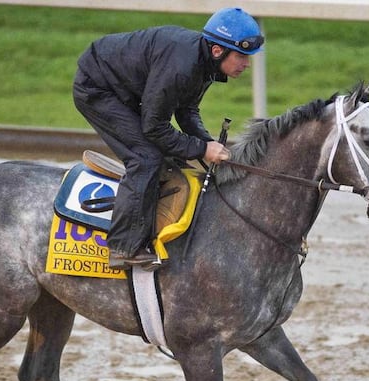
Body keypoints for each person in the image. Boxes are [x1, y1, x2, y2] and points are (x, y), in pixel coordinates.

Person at [72, 7, 264, 270]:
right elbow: (154, 127)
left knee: (172, 154)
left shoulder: (204, 62)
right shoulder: (181, 67)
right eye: (242, 55)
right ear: (218, 50)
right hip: (97, 88)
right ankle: (123, 247)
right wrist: (201, 148)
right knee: (146, 157)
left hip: (124, 89)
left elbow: (187, 111)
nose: (247, 63)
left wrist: (209, 147)